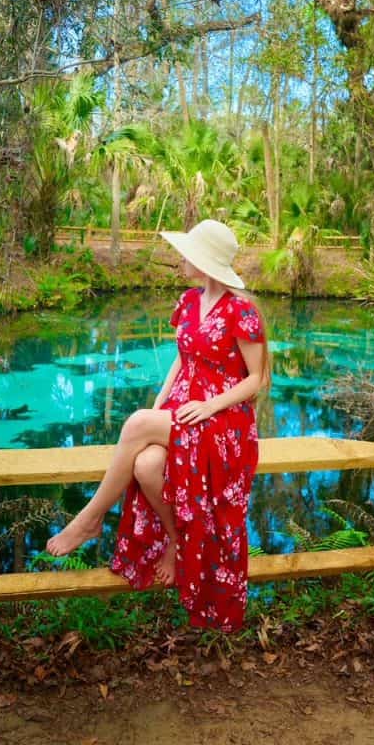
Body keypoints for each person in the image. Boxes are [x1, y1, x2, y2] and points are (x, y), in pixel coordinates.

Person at [46, 219, 271, 632]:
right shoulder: (188, 302)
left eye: (188, 252)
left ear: (204, 262)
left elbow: (257, 379)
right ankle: (176, 541)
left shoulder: (243, 312)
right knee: (147, 466)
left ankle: (91, 518)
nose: (180, 259)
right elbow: (183, 360)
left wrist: (207, 407)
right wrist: (160, 403)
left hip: (226, 424)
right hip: (185, 412)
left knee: (135, 425)